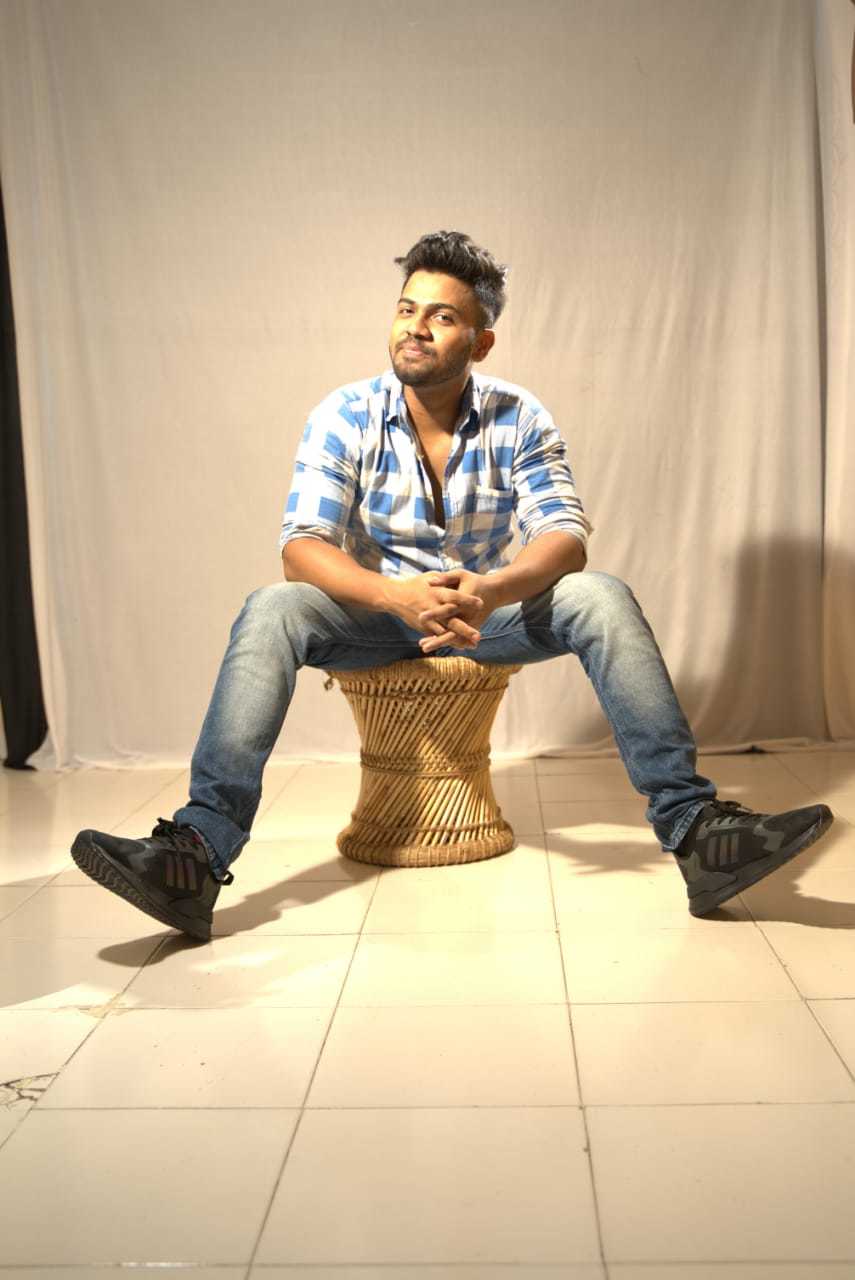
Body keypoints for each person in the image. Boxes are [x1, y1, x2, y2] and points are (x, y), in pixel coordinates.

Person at [72, 230, 833, 941]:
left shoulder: (518, 414)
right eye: (407, 310)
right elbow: (302, 550)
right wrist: (393, 596)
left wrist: (494, 589)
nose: (416, 328)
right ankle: (197, 853)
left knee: (601, 595)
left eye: (441, 317)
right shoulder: (345, 413)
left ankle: (698, 832)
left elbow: (564, 536)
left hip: (483, 614)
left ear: (480, 339)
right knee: (272, 608)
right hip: (374, 619)